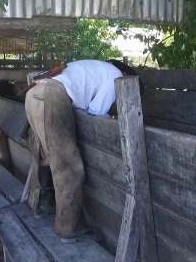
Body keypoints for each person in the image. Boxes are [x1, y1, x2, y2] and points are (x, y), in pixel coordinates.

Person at [24, 59, 140, 241]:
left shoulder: (94, 68)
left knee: (45, 154)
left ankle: (40, 206)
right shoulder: (116, 76)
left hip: (34, 94)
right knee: (68, 167)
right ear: (126, 75)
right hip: (51, 97)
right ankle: (68, 228)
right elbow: (96, 110)